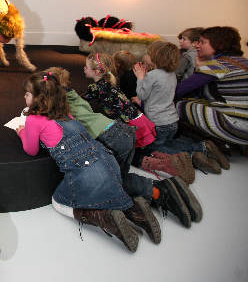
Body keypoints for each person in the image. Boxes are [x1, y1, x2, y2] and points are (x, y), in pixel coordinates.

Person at [17, 71, 158, 252]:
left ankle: (103, 217)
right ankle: (136, 211)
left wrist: (21, 131)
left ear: (38, 99)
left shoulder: (34, 120)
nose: (24, 96)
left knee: (58, 201)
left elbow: (31, 149)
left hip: (89, 174)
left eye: (27, 94)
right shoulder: (66, 114)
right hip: (109, 162)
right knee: (109, 190)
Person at [45, 66, 200, 229]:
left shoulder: (59, 102)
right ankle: (162, 189)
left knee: (112, 179)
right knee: (116, 174)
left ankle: (158, 193)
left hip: (109, 137)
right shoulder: (73, 94)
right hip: (120, 129)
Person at [81, 53, 191, 182]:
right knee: (140, 149)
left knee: (128, 154)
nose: (84, 68)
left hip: (131, 123)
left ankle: (165, 164)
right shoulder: (110, 81)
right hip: (138, 118)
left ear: (97, 71)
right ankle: (169, 158)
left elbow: (80, 101)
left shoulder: (95, 88)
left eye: (86, 66)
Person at [134, 41, 228, 174]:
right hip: (172, 121)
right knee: (169, 142)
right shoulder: (172, 75)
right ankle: (202, 147)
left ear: (156, 57)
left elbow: (142, 95)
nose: (146, 56)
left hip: (158, 122)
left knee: (153, 148)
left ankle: (192, 155)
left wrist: (140, 78)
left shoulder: (152, 75)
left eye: (148, 54)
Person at [176, 26, 248, 151]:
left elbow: (180, 90)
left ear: (219, 44)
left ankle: (207, 145)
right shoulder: (242, 61)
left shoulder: (218, 65)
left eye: (203, 42)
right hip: (243, 123)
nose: (197, 45)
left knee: (177, 104)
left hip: (237, 127)